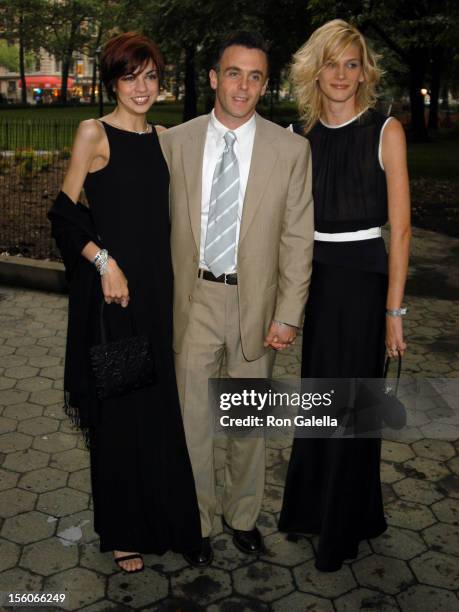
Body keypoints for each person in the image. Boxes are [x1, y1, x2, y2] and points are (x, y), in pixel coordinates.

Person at [48, 32, 201, 573]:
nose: (141, 87)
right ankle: (121, 531)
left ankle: (166, 520)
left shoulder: (165, 137)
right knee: (120, 415)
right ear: (113, 80)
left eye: (151, 75)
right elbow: (63, 215)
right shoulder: (95, 132)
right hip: (115, 300)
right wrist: (103, 262)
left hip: (157, 297)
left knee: (158, 411)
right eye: (130, 76)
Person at [159, 31, 314, 566]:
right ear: (213, 78)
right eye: (233, 72)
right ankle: (197, 522)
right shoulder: (174, 143)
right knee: (193, 421)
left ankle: (242, 517)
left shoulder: (291, 150)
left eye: (254, 76)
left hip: (257, 305)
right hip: (193, 299)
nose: (242, 85)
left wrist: (289, 313)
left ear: (264, 84)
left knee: (247, 423)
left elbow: (297, 237)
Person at [278, 19, 411, 572]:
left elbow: (400, 230)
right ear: (316, 69)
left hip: (364, 281)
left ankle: (344, 529)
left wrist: (394, 311)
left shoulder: (386, 131)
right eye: (330, 63)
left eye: (351, 64)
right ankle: (316, 510)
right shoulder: (299, 138)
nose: (340, 74)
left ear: (364, 73)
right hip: (319, 281)